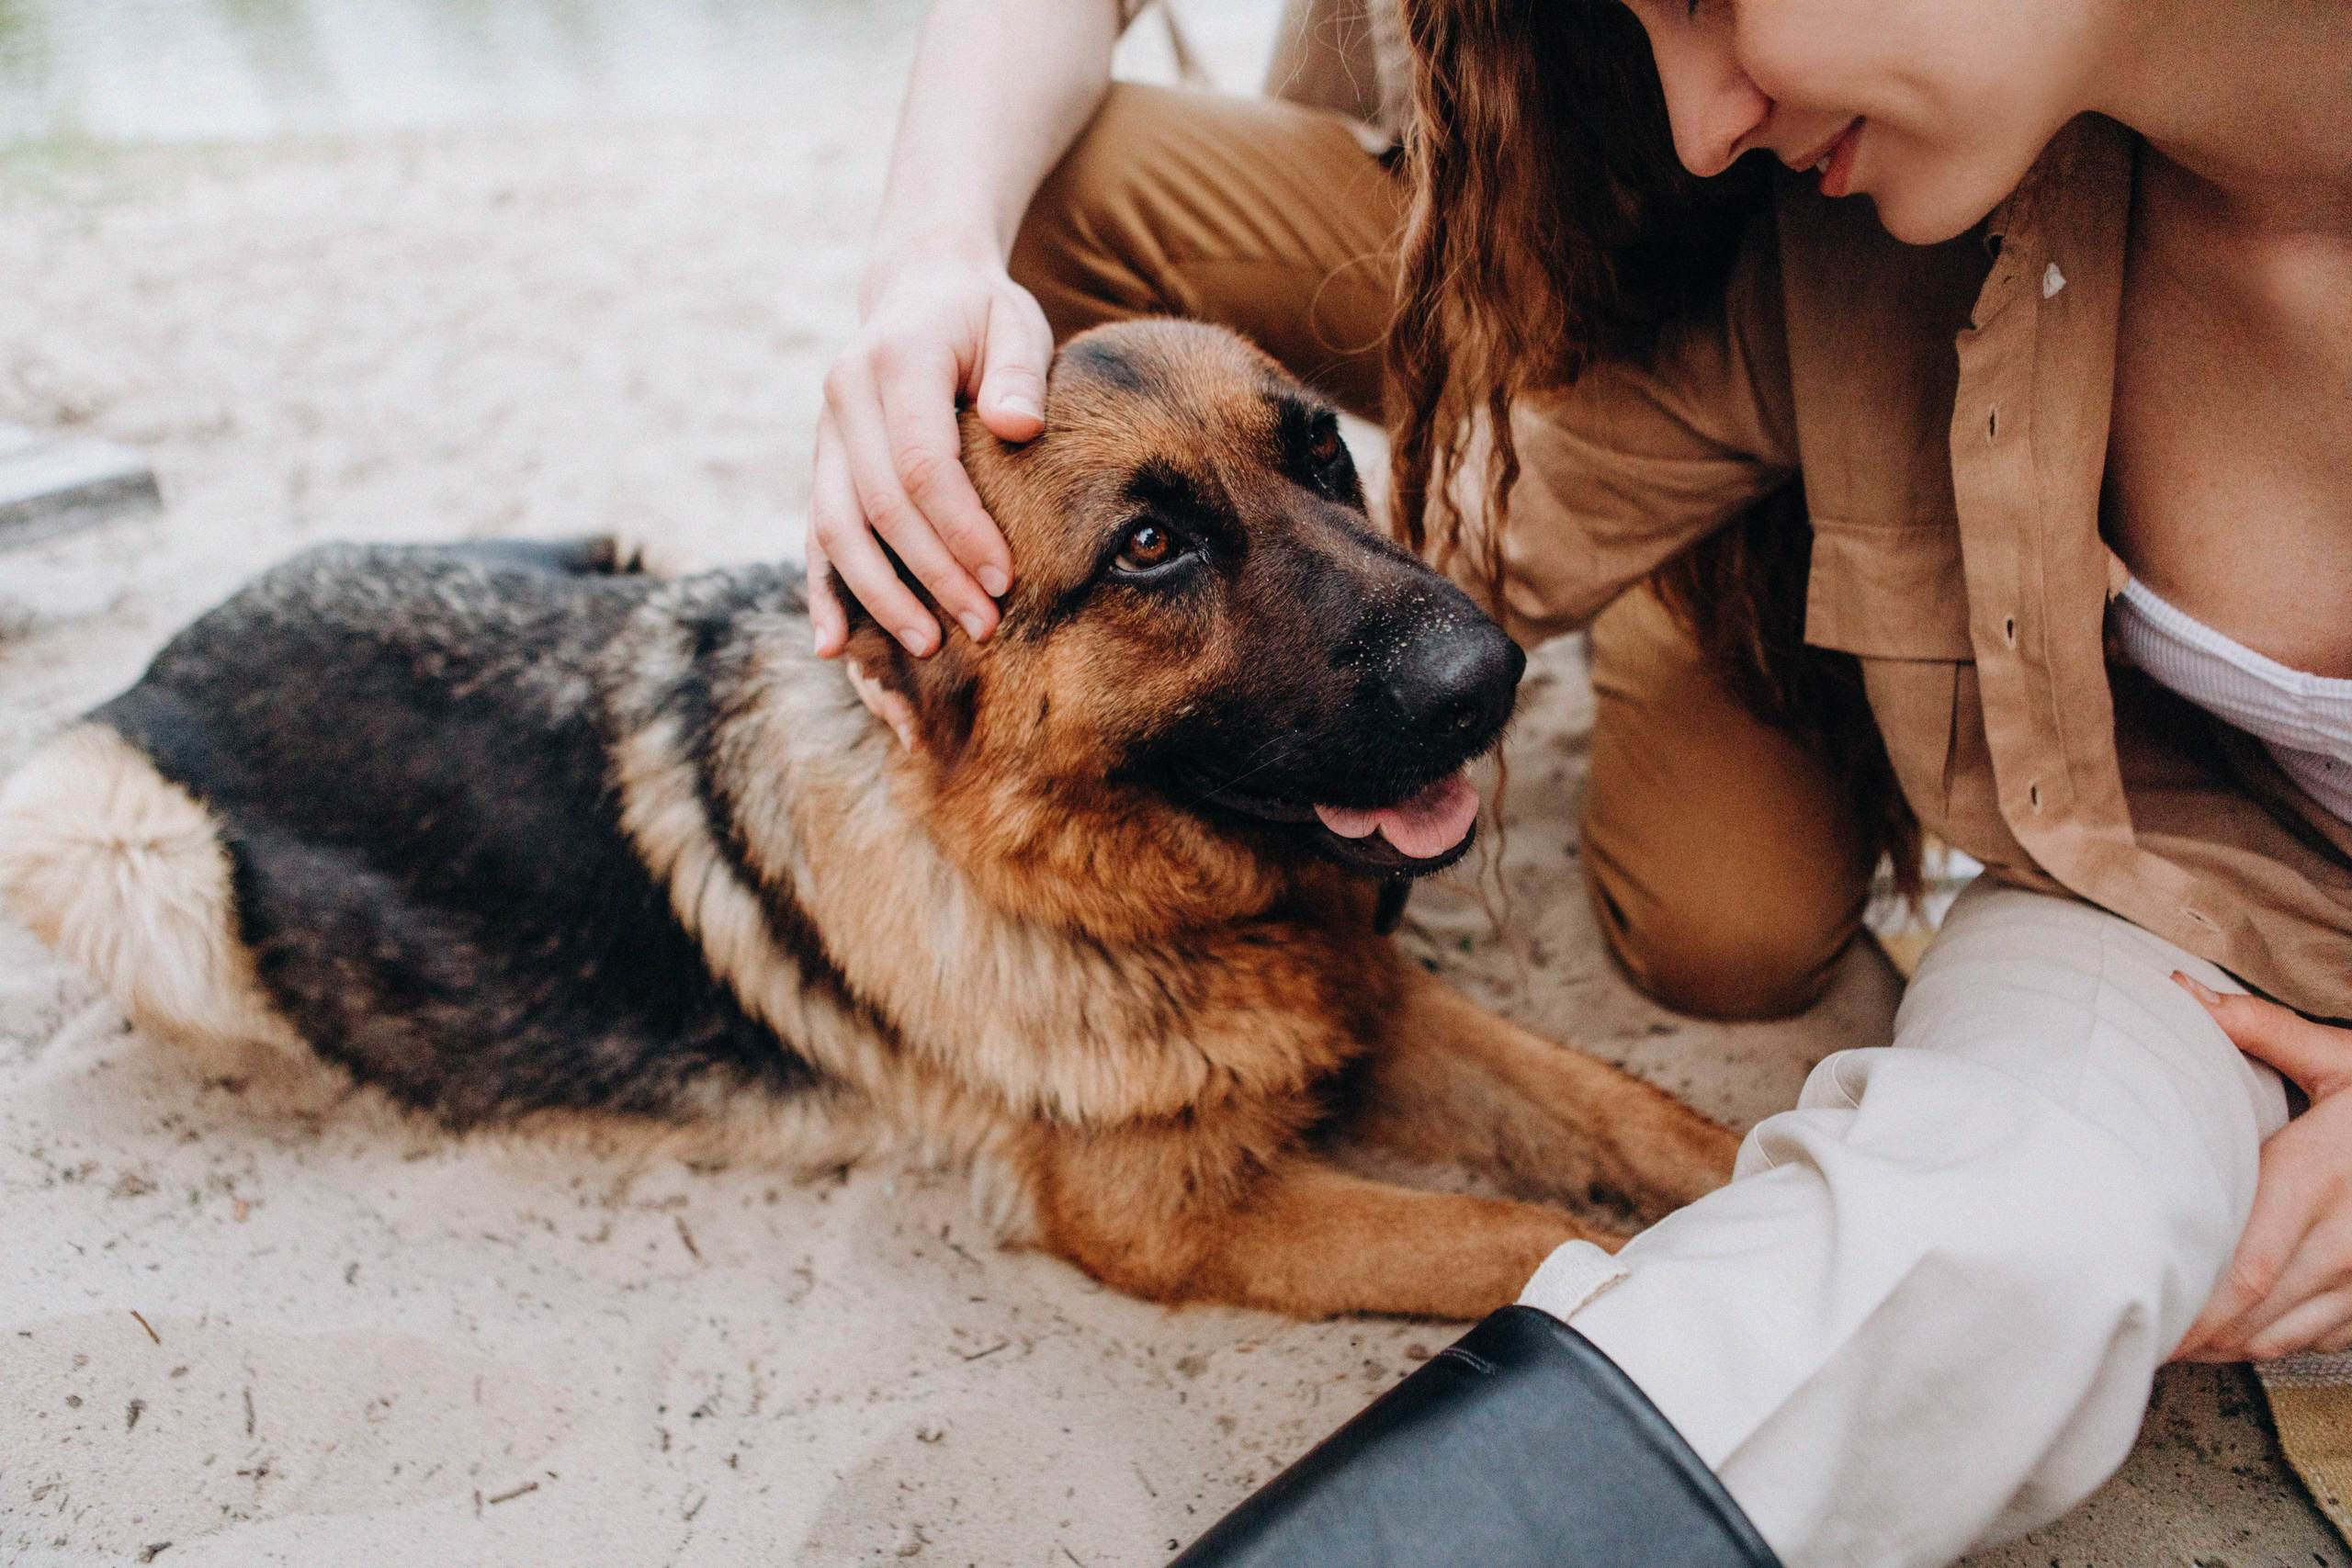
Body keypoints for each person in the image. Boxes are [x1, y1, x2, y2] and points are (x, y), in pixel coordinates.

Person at [802, 1, 2352, 1563]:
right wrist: (933, 285)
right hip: (2170, 902)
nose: (1690, 127)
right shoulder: (1853, 265)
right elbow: (1530, 510)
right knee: (2010, 1222)